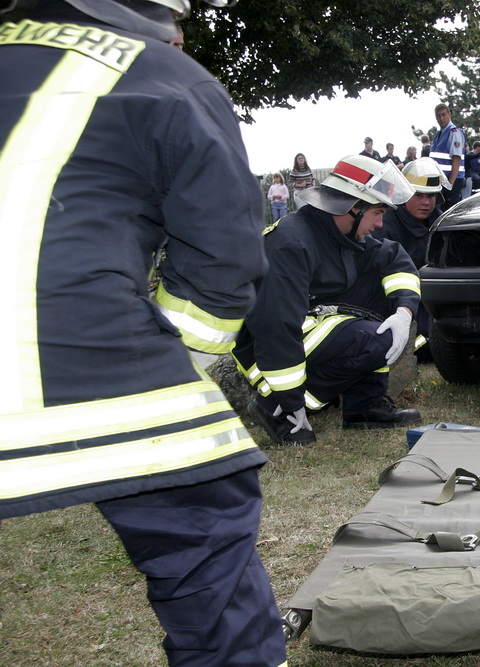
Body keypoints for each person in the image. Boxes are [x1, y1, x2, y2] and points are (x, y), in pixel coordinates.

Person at [0, 1, 288, 666]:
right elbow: (223, 253)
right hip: (81, 349)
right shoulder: (167, 76)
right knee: (203, 529)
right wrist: (184, 361)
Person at [232, 154, 423, 443]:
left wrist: (404, 313)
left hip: (306, 323)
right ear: (352, 207)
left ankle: (365, 406)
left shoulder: (338, 233)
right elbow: (276, 328)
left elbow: (394, 259)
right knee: (376, 340)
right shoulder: (291, 244)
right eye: (377, 212)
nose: (381, 223)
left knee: (384, 286)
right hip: (265, 352)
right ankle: (276, 409)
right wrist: (290, 400)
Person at [372, 157, 450, 357]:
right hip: (399, 301)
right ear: (404, 194)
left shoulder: (442, 223)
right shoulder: (385, 225)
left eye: (431, 196)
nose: (426, 202)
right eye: (419, 195)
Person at [430, 103, 466, 209]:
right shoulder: (438, 134)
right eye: (438, 115)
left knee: (448, 211)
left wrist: (450, 184)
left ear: (449, 114)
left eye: (443, 115)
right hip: (440, 180)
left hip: (451, 181)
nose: (441, 118)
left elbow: (456, 159)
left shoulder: (453, 132)